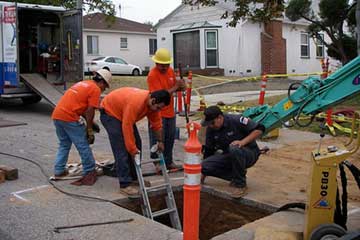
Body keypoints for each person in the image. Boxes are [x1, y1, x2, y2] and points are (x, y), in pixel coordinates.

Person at [100, 87, 171, 196]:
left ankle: (134, 177)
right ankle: (124, 184)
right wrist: (132, 149)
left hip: (124, 114)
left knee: (137, 143)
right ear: (153, 100)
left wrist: (160, 141)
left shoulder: (153, 106)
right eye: (158, 107)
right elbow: (127, 127)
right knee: (122, 148)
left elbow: (157, 124)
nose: (158, 110)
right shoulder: (136, 103)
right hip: (110, 113)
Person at [52, 69, 111, 185]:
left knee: (64, 144)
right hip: (69, 117)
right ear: (102, 82)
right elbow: (90, 110)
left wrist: (91, 123)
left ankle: (59, 170)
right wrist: (89, 129)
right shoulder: (95, 89)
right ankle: (89, 171)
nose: (104, 89)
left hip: (57, 115)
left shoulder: (83, 83)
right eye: (105, 86)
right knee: (83, 145)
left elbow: (80, 106)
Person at [201, 105, 265, 198]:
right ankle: (235, 175)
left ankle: (240, 185)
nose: (211, 126)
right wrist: (204, 171)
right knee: (203, 166)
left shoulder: (236, 120)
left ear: (219, 118)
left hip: (249, 153)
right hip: (229, 155)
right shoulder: (211, 129)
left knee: (234, 148)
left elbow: (260, 129)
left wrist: (242, 142)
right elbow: (209, 151)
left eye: (212, 123)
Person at [147, 48, 185, 172]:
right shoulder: (152, 75)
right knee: (157, 138)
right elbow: (160, 95)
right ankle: (157, 162)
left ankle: (168, 161)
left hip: (170, 112)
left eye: (166, 65)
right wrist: (175, 87)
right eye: (161, 65)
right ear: (156, 63)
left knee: (170, 137)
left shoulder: (170, 71)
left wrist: (181, 86)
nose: (164, 67)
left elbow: (175, 88)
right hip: (158, 111)